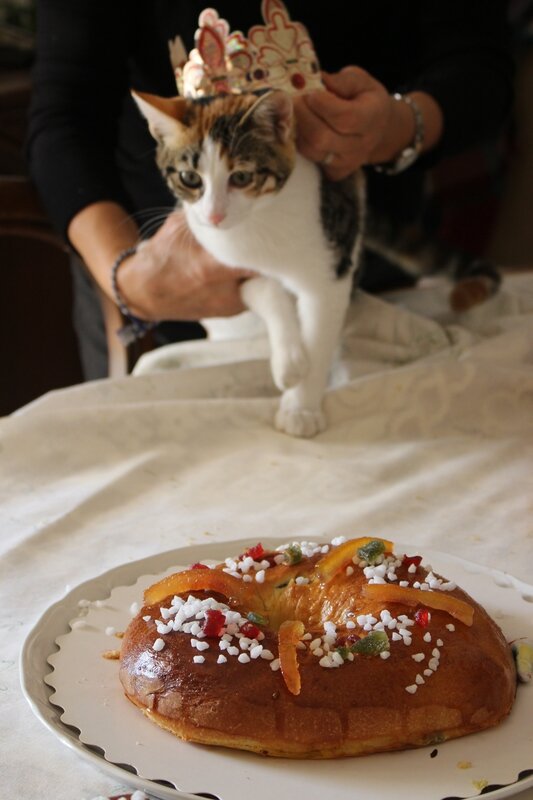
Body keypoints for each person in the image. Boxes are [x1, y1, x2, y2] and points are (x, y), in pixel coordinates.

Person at [27, 1, 513, 379]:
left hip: (373, 273)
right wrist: (129, 279)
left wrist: (397, 125)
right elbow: (64, 115)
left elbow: (479, 64)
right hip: (164, 287)